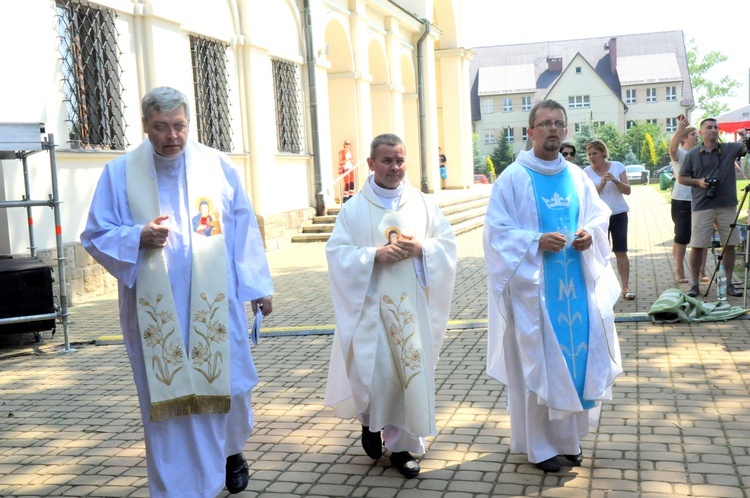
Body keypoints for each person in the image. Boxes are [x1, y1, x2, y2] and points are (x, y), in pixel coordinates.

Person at [80, 86, 275, 497]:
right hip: (156, 307)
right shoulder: (120, 173)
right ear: (146, 127)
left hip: (216, 301)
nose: (172, 136)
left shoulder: (217, 166)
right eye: (161, 127)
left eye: (179, 126)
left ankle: (231, 452)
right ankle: (180, 487)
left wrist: (258, 286)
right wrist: (137, 236)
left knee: (230, 387)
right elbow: (95, 234)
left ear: (189, 123)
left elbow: (243, 230)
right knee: (167, 401)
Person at [483, 99, 622, 473]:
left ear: (566, 130)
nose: (553, 129)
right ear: (530, 132)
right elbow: (496, 233)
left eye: (559, 123)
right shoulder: (512, 177)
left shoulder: (577, 176)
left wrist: (588, 236)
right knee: (540, 365)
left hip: (576, 287)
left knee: (575, 367)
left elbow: (597, 217)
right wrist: (533, 242)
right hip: (534, 293)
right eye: (545, 124)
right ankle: (540, 446)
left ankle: (569, 441)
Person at [325, 133, 457, 479]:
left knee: (406, 378)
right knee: (376, 377)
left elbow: (447, 244)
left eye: (400, 160)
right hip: (369, 312)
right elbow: (337, 255)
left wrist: (421, 249)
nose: (395, 167)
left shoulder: (422, 203)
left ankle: (401, 448)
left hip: (411, 313)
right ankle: (371, 423)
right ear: (370, 164)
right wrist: (373, 255)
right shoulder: (354, 210)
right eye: (387, 160)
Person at [678, 118, 748, 298]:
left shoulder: (729, 149)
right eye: (709, 127)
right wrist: (698, 182)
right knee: (697, 246)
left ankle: (729, 283)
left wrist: (745, 136)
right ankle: (694, 285)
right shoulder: (692, 155)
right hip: (702, 205)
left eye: (716, 127)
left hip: (727, 205)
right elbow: (681, 178)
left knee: (729, 245)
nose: (713, 130)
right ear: (701, 133)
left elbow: (747, 147)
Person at [584, 139, 634, 300]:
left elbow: (627, 191)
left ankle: (625, 288)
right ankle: (601, 289)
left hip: (618, 214)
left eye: (595, 153)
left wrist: (615, 180)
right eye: (589, 154)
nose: (592, 157)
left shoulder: (617, 166)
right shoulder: (586, 172)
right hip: (599, 218)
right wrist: (601, 185)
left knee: (621, 251)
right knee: (600, 253)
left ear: (603, 153)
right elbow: (588, 197)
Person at [668, 116, 708, 284]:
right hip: (682, 200)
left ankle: (701, 270)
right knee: (682, 236)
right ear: (684, 138)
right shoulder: (681, 154)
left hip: (701, 199)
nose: (696, 136)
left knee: (702, 236)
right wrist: (679, 129)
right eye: (692, 134)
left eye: (695, 133)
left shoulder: (701, 153)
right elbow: (671, 149)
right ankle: (679, 270)